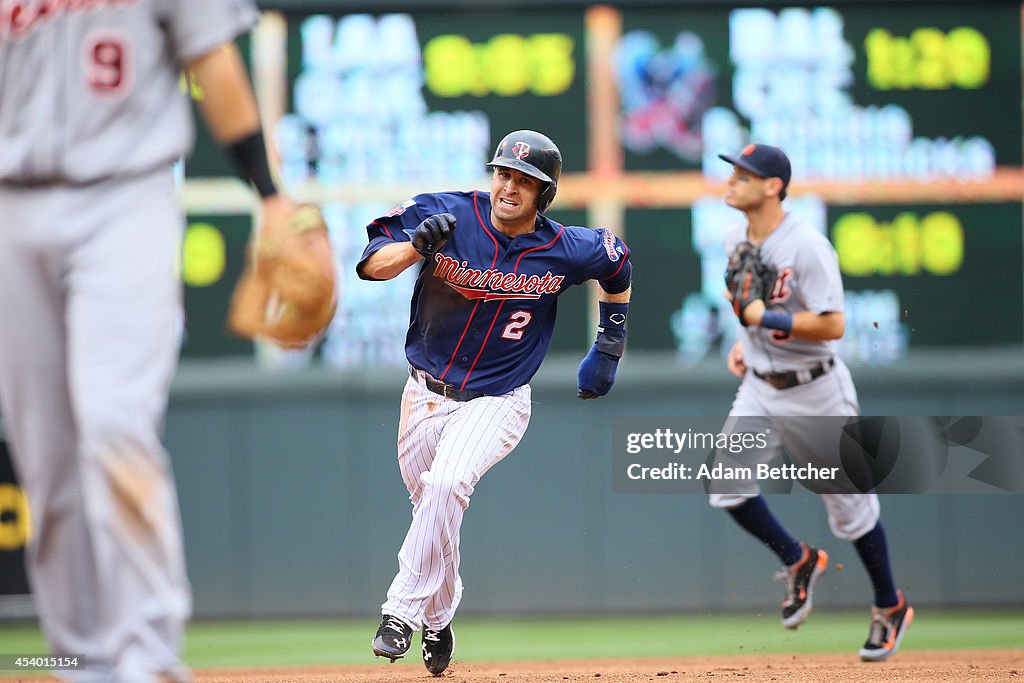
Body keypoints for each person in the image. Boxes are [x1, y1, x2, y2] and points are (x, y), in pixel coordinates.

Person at [0, 3, 298, 680]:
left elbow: (213, 58)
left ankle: (150, 660)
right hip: (9, 204)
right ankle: (80, 663)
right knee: (46, 460)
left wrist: (270, 194)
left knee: (115, 424)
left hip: (125, 195)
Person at [357, 130, 632, 675]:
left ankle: (400, 613)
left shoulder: (565, 248)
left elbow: (617, 262)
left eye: (525, 180)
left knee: (445, 485)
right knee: (435, 517)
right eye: (504, 173)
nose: (510, 185)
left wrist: (610, 344)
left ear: (544, 193)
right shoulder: (445, 214)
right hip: (424, 395)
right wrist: (417, 247)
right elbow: (372, 267)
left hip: (498, 400)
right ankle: (438, 619)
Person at [712, 143, 914, 661]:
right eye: (732, 170)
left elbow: (833, 324)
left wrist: (767, 322)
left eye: (744, 174)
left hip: (817, 390)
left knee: (850, 512)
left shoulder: (807, 246)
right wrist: (746, 343)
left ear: (773, 186)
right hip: (761, 383)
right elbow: (750, 311)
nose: (732, 179)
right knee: (727, 485)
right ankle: (798, 558)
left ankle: (890, 605)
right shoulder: (736, 234)